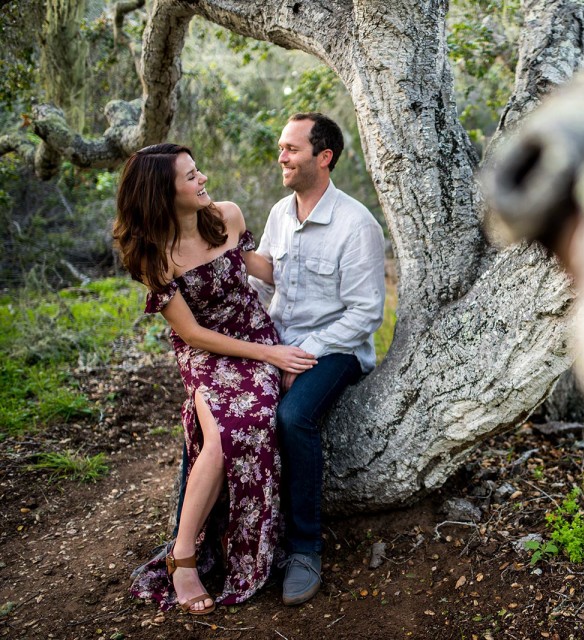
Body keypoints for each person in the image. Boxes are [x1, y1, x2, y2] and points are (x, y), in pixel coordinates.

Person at [116, 144, 318, 614]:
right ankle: (182, 557)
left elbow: (262, 269)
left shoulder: (226, 215)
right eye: (190, 176)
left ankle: (250, 547)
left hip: (255, 333)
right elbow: (191, 333)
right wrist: (270, 353)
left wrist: (316, 261)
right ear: (162, 194)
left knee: (251, 424)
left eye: (197, 169)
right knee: (223, 431)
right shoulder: (153, 255)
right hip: (208, 352)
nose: (203, 178)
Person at [250, 112, 385, 606]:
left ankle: (305, 548)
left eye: (291, 148)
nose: (281, 156)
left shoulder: (356, 225)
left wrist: (297, 359)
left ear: (323, 157)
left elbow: (366, 313)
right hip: (278, 342)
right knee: (222, 408)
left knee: (292, 416)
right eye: (282, 147)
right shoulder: (278, 214)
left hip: (336, 349)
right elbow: (264, 281)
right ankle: (205, 533)